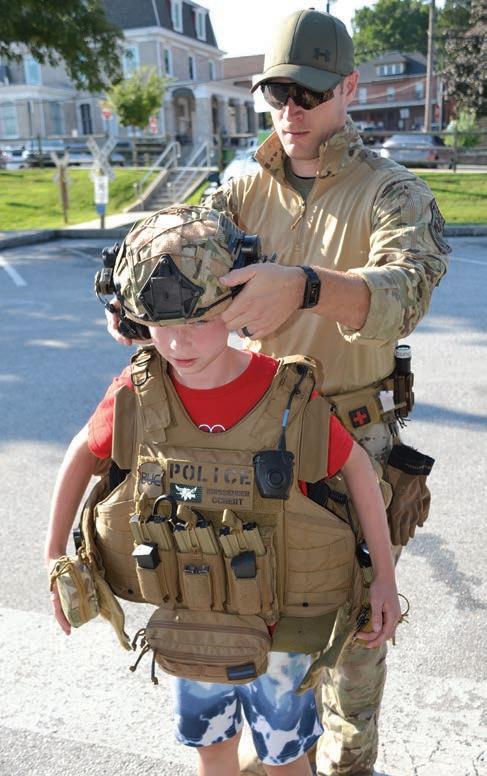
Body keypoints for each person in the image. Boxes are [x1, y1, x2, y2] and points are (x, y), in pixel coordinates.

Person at [105, 10, 450, 776]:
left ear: (348, 88)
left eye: (310, 93)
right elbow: (175, 249)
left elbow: (406, 288)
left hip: (349, 445)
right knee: (250, 626)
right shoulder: (238, 188)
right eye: (276, 93)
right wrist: (133, 299)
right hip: (248, 446)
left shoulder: (390, 192)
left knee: (351, 649)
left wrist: (305, 287)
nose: (291, 110)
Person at [47, 206, 401, 776]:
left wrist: (383, 577)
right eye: (161, 323)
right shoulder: (139, 390)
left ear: (236, 306)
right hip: (191, 621)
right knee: (212, 752)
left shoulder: (286, 393)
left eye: (198, 320)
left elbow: (359, 470)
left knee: (285, 758)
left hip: (283, 628)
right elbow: (81, 454)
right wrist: (54, 557)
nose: (178, 342)